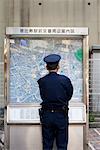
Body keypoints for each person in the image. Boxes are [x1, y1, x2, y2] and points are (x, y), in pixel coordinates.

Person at [38, 54, 73, 150]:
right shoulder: (65, 80)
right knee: (62, 144)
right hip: (61, 115)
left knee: (47, 144)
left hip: (47, 115)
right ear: (58, 66)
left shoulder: (42, 81)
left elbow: (43, 95)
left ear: (46, 67)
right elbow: (69, 95)